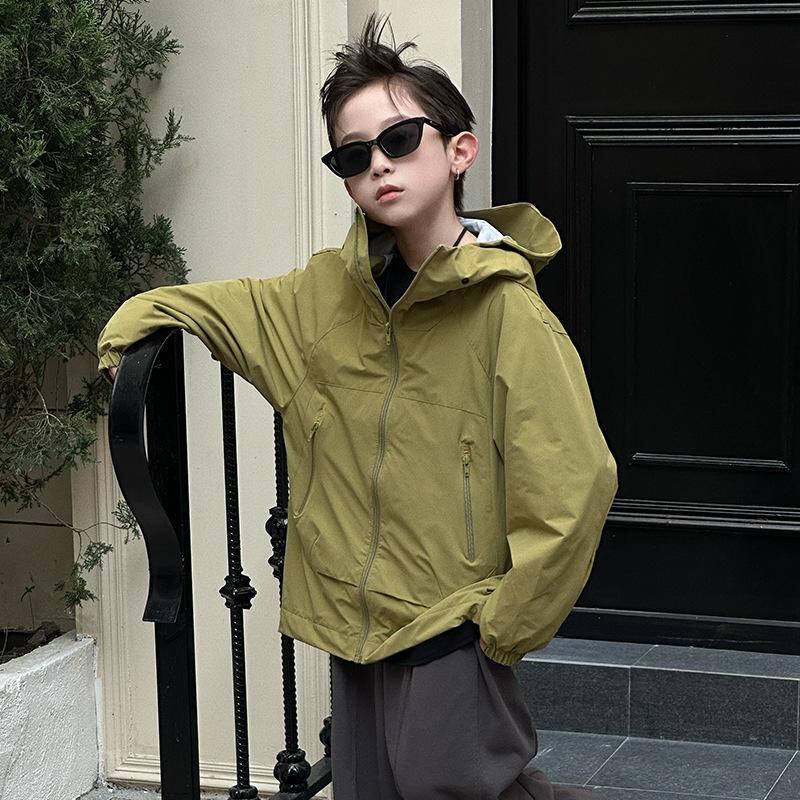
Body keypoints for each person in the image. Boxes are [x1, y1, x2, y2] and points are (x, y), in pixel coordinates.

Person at [98, 11, 618, 799]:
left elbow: (574, 482)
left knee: (457, 784)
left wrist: (505, 624)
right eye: (354, 154)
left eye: (400, 140)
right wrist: (125, 339)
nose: (379, 165)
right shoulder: (323, 298)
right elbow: (211, 308)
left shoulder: (508, 314)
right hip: (352, 623)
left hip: (451, 626)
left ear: (459, 150)